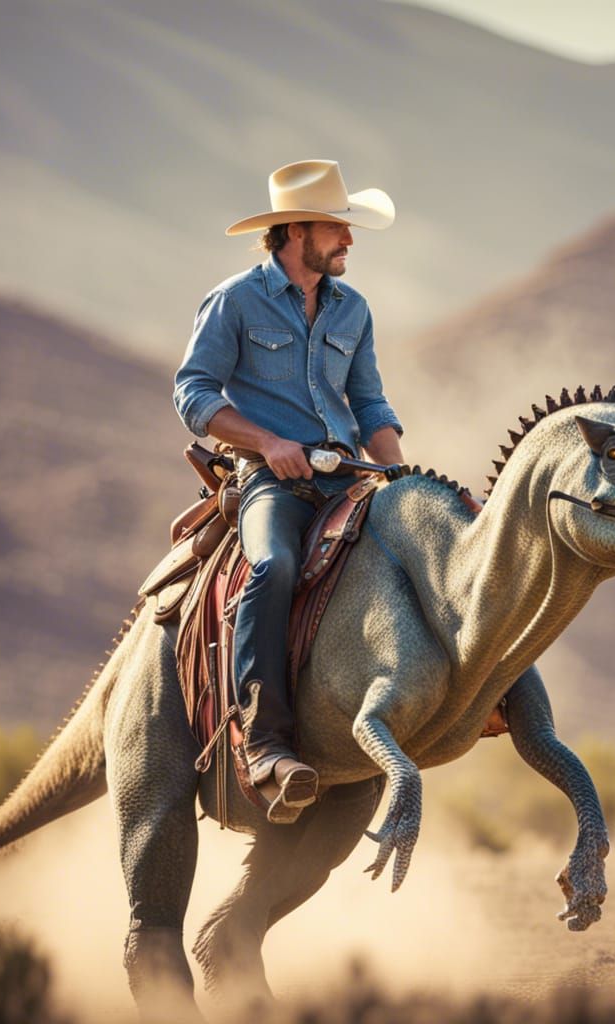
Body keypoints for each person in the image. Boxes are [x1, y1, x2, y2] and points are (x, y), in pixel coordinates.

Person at [173, 160, 404, 822]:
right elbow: (193, 393)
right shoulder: (235, 300)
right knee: (272, 566)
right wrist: (268, 444)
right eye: (339, 228)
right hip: (269, 481)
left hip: (349, 481)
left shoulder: (352, 309)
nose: (350, 242)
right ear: (296, 231)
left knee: (418, 554)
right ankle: (264, 743)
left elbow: (370, 404)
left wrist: (401, 473)